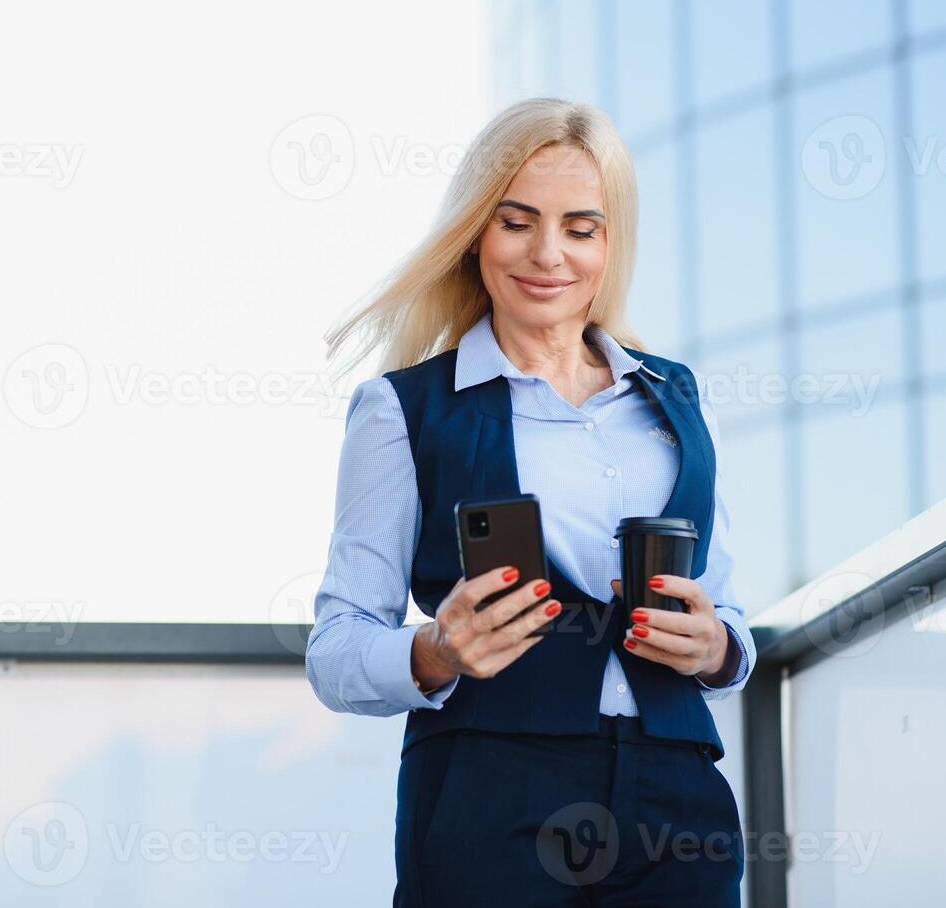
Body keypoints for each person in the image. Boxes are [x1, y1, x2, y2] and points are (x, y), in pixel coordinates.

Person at [306, 97, 755, 905]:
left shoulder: (678, 400)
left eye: (581, 228)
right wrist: (435, 652)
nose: (548, 254)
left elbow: (727, 619)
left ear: (610, 245)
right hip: (488, 791)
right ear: (476, 230)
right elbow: (336, 648)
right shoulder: (403, 410)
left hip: (677, 796)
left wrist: (716, 647)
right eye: (517, 222)